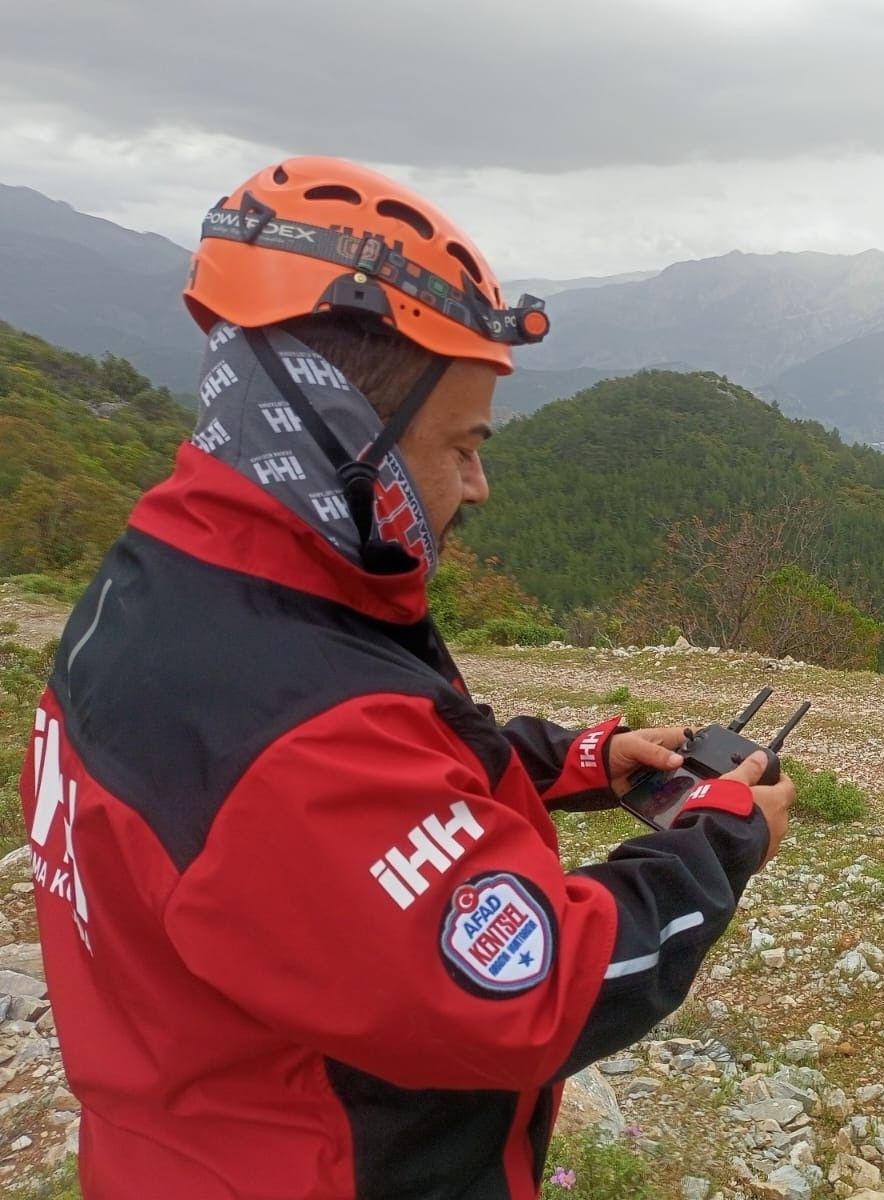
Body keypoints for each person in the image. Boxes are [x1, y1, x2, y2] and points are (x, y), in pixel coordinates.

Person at [21, 157, 794, 1199]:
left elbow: (372, 793)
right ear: (343, 438)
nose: (480, 482)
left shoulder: (177, 587)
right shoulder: (291, 724)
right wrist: (725, 835)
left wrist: (580, 759)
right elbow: (541, 992)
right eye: (463, 445)